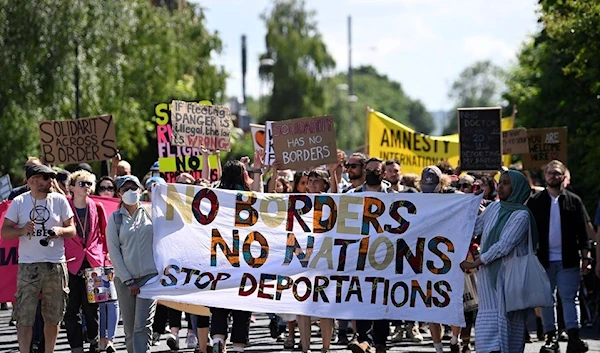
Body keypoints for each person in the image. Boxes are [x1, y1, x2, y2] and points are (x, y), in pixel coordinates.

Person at [1, 164, 76, 353]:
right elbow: (5, 232)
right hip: (29, 266)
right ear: (32, 180)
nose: (50, 181)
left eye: (52, 177)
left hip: (56, 264)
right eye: (45, 177)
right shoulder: (19, 202)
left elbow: (72, 229)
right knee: (24, 316)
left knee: (53, 315)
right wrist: (21, 230)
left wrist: (60, 231)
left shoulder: (59, 200)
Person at [460, 170, 537, 353]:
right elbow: (475, 228)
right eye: (500, 182)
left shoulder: (521, 215)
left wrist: (476, 263)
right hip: (488, 275)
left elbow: (504, 245)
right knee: (489, 318)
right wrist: (470, 205)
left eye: (506, 183)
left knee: (508, 321)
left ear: (517, 187)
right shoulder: (494, 208)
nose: (500, 186)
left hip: (509, 275)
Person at [526, 160, 590, 353]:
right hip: (543, 260)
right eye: (549, 173)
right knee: (546, 299)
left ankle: (573, 338)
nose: (552, 176)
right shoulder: (536, 201)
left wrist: (586, 258)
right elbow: (529, 230)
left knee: (570, 298)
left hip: (568, 259)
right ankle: (550, 338)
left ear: (563, 176)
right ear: (545, 176)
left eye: (556, 173)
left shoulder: (574, 200)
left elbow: (583, 232)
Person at [346, 157, 395, 353]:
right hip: (361, 254)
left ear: (383, 174)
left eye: (376, 171)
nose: (371, 173)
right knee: (361, 296)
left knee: (382, 298)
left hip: (385, 255)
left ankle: (380, 341)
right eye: (369, 170)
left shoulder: (394, 196)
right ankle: (362, 338)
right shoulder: (352, 195)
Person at [210, 160, 258, 353]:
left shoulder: (215, 196)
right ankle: (238, 347)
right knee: (242, 306)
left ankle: (217, 339)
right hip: (245, 260)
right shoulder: (250, 198)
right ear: (243, 176)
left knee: (219, 303)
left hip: (220, 258)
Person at [106, 175, 157, 353]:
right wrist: (128, 280)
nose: (130, 192)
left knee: (142, 326)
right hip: (125, 282)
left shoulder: (152, 212)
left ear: (141, 190)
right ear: (119, 193)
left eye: (133, 188)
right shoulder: (114, 220)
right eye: (125, 189)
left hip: (150, 278)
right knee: (129, 330)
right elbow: (114, 253)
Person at [63, 170, 108, 353]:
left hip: (93, 262)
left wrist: (105, 257)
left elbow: (103, 234)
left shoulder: (97, 206)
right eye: (82, 183)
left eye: (89, 183)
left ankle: (93, 339)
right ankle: (76, 346)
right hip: (71, 262)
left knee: (92, 308)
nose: (87, 187)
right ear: (72, 187)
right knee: (72, 309)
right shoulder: (64, 206)